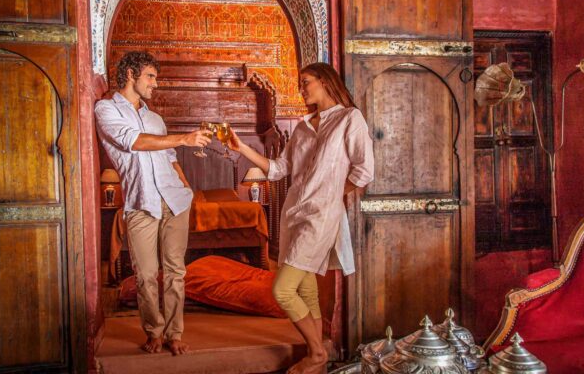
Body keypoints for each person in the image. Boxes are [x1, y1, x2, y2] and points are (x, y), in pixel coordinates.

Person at [228, 62, 374, 374]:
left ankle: (318, 354)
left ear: (325, 81)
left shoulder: (350, 119)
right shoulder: (304, 126)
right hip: (293, 214)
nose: (301, 87)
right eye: (300, 82)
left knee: (282, 290)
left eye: (305, 81)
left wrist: (332, 196)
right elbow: (278, 169)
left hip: (320, 217)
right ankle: (315, 355)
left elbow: (364, 172)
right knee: (306, 289)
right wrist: (240, 147)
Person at [94, 51, 212, 355]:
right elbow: (132, 142)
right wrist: (183, 139)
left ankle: (174, 333)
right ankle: (153, 330)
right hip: (140, 202)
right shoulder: (106, 110)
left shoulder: (156, 118)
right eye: (151, 76)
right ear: (131, 74)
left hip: (175, 202)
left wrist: (186, 188)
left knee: (175, 272)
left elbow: (169, 158)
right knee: (145, 274)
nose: (155, 84)